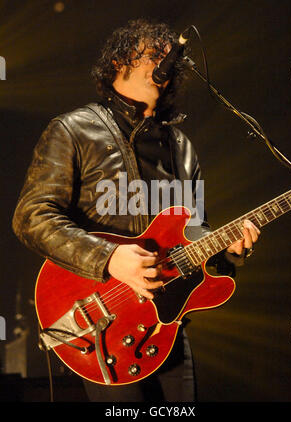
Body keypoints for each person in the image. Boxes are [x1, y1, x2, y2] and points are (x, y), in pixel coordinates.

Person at [12, 19, 260, 402]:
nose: (163, 61)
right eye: (150, 54)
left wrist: (227, 252)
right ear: (117, 63)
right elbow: (31, 216)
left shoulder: (182, 147)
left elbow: (194, 234)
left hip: (167, 324)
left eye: (168, 58)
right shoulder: (73, 129)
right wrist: (109, 258)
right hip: (102, 317)